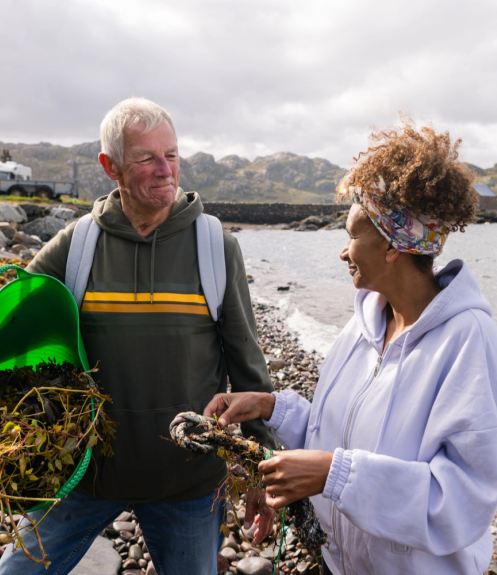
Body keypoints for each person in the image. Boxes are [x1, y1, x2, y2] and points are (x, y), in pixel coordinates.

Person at [0, 98, 276, 575]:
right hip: (82, 477)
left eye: (171, 155)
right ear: (110, 166)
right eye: (145, 158)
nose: (164, 170)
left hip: (187, 484)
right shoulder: (77, 244)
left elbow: (247, 362)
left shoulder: (215, 246)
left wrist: (262, 467)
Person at [205, 121, 497, 574]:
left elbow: (461, 501)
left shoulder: (467, 341)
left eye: (353, 235)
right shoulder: (362, 325)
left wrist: (335, 476)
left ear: (394, 245)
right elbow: (334, 437)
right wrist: (271, 407)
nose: (343, 252)